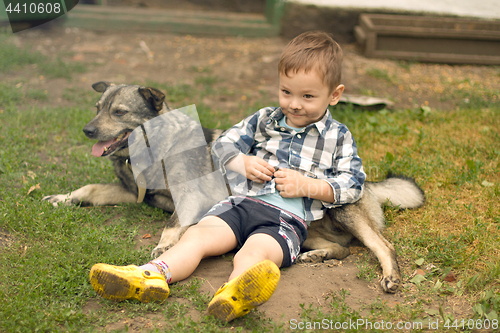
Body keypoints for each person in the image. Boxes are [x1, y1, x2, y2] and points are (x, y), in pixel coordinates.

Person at [89, 30, 366, 322]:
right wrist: (240, 161)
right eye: (286, 92)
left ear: (334, 95)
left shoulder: (339, 137)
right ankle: (149, 274)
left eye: (307, 96)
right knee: (196, 237)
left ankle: (234, 294)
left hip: (285, 218)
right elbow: (223, 143)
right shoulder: (265, 119)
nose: (294, 104)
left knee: (252, 254)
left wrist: (311, 186)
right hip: (237, 205)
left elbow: (353, 184)